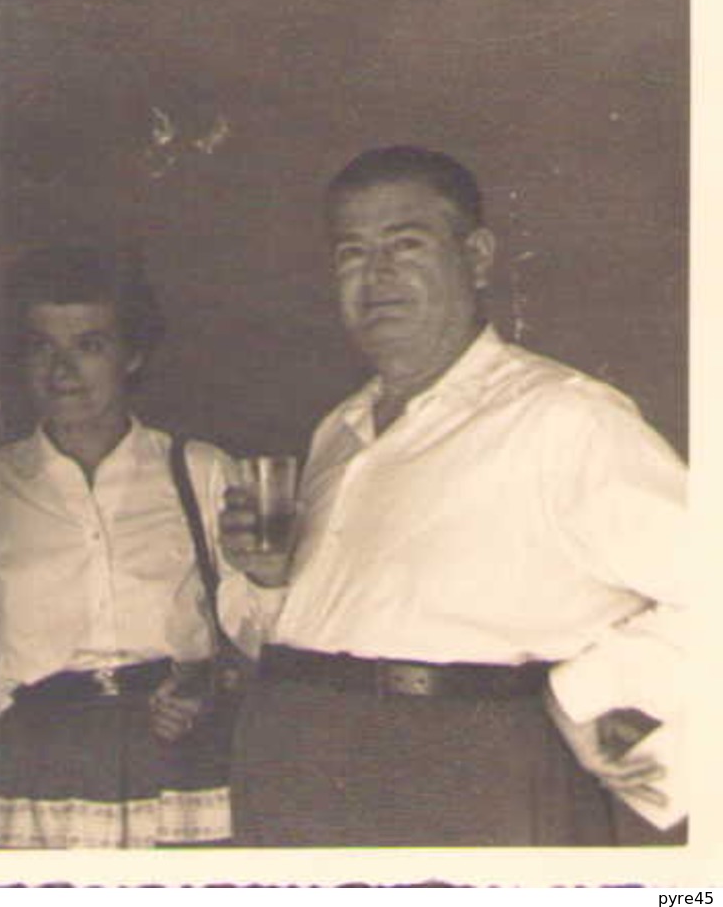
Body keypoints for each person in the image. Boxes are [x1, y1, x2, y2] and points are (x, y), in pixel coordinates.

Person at [226, 145, 689, 847]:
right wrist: (266, 582)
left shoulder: (563, 417)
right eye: (351, 252)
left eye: (403, 245)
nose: (374, 276)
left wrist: (583, 696)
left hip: (462, 780)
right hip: (299, 770)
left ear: (474, 258)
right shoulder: (338, 430)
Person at [0, 244, 273, 848]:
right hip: (41, 776)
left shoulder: (201, 472)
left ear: (132, 355)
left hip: (179, 768)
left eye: (89, 346)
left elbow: (264, 637)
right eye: (41, 347)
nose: (61, 371)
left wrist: (203, 688)